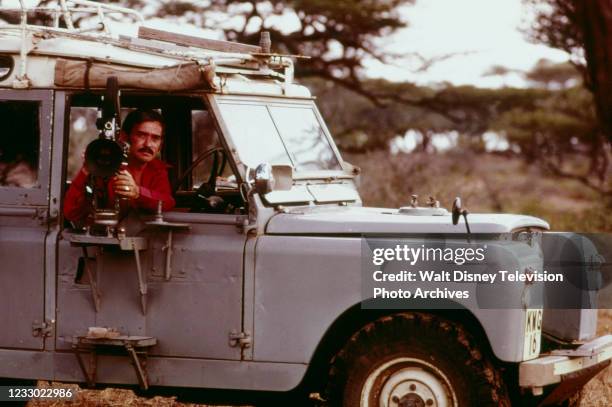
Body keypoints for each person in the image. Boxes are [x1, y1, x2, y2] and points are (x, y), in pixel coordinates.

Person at [64, 109, 175, 223]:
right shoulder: (106, 165)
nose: (148, 144)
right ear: (124, 137)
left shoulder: (158, 170)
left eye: (155, 138)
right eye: (141, 135)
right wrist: (87, 169)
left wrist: (137, 192)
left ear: (160, 145)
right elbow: (71, 213)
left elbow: (167, 203)